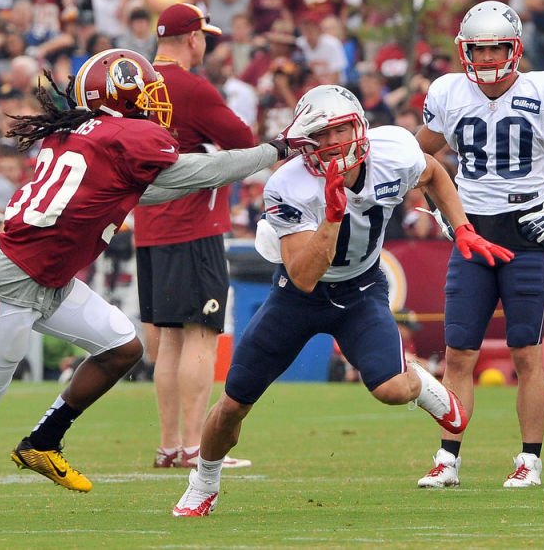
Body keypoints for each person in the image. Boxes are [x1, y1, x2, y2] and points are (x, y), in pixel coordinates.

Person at [0, 48, 297, 525]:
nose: (154, 103)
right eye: (144, 93)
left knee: (122, 347)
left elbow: (151, 188)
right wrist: (275, 150)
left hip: (51, 277)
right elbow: (197, 172)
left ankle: (41, 441)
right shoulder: (127, 135)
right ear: (121, 98)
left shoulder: (77, 134)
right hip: (14, 279)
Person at [171, 84, 513, 516]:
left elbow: (433, 174)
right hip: (297, 297)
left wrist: (461, 226)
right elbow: (304, 277)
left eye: (341, 131)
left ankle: (425, 385)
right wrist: (331, 217)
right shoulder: (288, 185)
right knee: (234, 403)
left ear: (360, 127)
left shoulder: (395, 152)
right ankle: (203, 482)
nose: (333, 144)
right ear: (304, 143)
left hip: (361, 290)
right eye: (321, 136)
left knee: (391, 389)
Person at [414, 1, 544, 489]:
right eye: (476, 49)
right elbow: (416, 154)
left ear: (515, 47)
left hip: (525, 234)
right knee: (458, 355)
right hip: (472, 233)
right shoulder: (447, 93)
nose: (484, 59)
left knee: (527, 354)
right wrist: (442, 209)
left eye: (494, 48)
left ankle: (530, 461)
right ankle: (448, 458)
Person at [135, 3, 255, 470]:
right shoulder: (192, 86)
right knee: (201, 336)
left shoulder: (135, 82)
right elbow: (244, 140)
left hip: (148, 222)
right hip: (193, 222)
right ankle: (192, 447)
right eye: (204, 35)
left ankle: (170, 446)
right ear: (192, 38)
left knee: (168, 340)